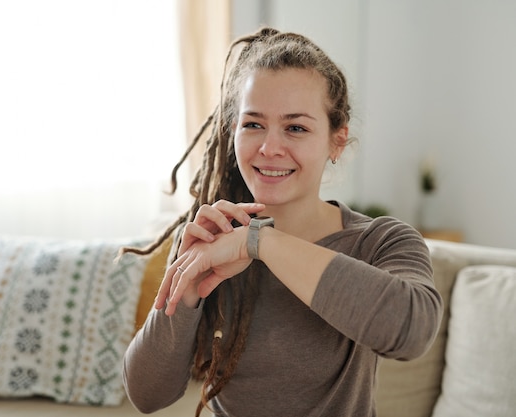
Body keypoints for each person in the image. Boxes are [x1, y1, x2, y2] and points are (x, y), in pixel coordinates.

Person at [121, 27, 443, 417]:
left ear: (336, 141)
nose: (269, 148)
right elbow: (146, 394)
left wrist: (259, 242)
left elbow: (410, 332)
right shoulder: (210, 237)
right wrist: (186, 289)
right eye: (253, 124)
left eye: (296, 128)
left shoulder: (381, 241)